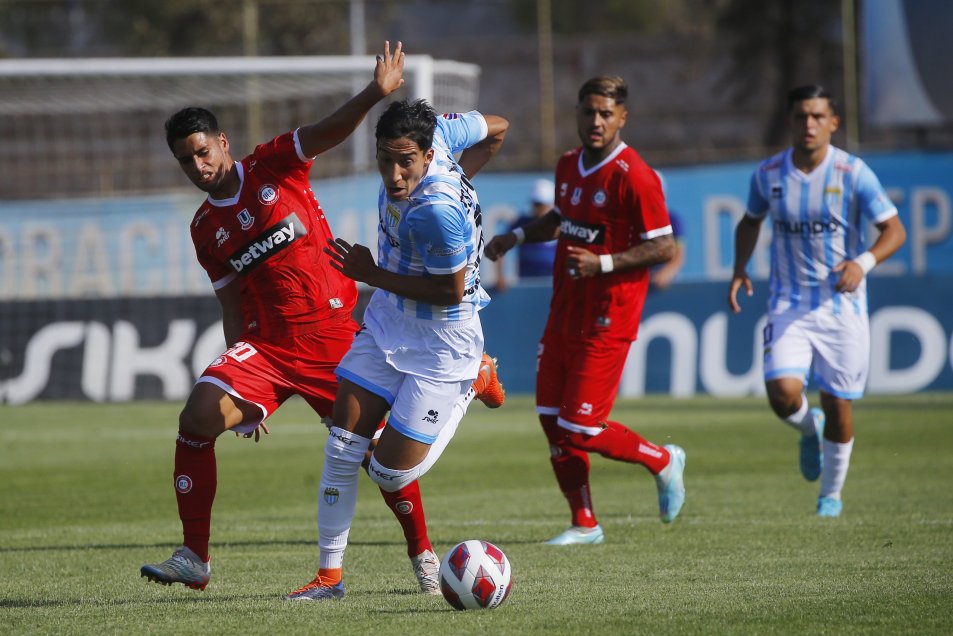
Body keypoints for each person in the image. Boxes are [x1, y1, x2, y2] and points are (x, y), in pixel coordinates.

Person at [139, 42, 503, 594]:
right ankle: (196, 556)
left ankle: (423, 554)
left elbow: (330, 130)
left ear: (222, 143)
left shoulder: (273, 164)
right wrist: (247, 397)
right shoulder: (203, 230)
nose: (198, 165)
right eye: (185, 160)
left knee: (377, 460)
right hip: (267, 348)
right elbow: (232, 304)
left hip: (334, 333)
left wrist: (375, 94)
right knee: (197, 417)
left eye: (202, 151)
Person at [283, 98, 508, 600]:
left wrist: (370, 274)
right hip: (388, 323)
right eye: (386, 159)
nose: (394, 173)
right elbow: (497, 128)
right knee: (342, 448)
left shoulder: (436, 212)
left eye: (406, 161)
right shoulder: (442, 135)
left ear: (428, 157)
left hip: (443, 344)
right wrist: (466, 174)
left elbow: (449, 291)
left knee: (387, 470)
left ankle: (476, 379)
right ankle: (329, 577)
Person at [484, 76, 686, 546]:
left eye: (605, 114)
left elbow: (663, 246)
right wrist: (514, 237)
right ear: (577, 114)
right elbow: (561, 218)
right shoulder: (568, 164)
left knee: (582, 426)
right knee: (552, 419)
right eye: (588, 112)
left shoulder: (635, 175)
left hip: (608, 316)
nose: (595, 122)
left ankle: (661, 460)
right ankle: (585, 523)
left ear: (621, 118)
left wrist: (605, 263)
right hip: (564, 311)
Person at [728, 84, 906, 518]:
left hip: (841, 306)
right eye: (801, 116)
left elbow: (894, 231)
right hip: (788, 301)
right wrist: (739, 269)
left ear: (833, 123)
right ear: (790, 121)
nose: (809, 124)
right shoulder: (768, 174)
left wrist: (861, 263)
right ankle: (810, 431)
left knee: (837, 401)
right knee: (782, 394)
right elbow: (750, 222)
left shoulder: (852, 173)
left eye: (818, 116)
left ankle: (831, 495)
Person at [493, 178, 557, 292]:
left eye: (542, 204)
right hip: (527, 288)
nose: (539, 209)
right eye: (536, 204)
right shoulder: (521, 224)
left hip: (554, 287)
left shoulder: (563, 225)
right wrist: (500, 276)